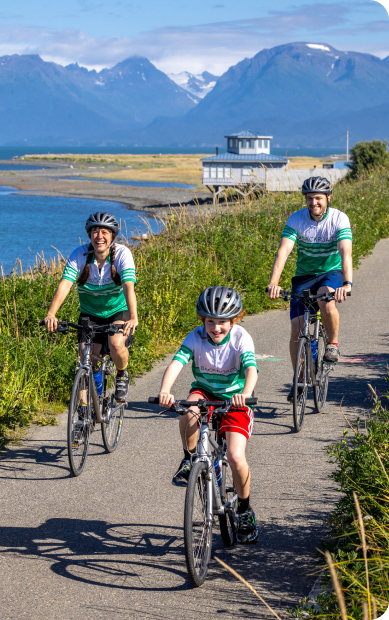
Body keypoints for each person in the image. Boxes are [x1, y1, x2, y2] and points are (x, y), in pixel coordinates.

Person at [158, 286, 259, 544]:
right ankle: (190, 459)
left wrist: (245, 394)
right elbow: (177, 364)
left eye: (222, 322)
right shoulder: (196, 336)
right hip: (205, 392)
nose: (216, 328)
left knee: (236, 457)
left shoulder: (240, 337)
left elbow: (251, 370)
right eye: (210, 321)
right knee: (189, 409)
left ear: (233, 320)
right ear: (202, 320)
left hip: (235, 397)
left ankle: (245, 510)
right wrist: (165, 390)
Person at [267, 176, 352, 400]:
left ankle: (332, 344)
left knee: (325, 298)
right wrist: (274, 282)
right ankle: (301, 378)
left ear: (328, 198)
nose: (313, 202)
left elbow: (346, 252)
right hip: (304, 277)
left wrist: (346, 283)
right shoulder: (297, 219)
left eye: (318, 198)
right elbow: (283, 252)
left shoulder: (338, 219)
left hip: (330, 273)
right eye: (309, 198)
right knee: (297, 330)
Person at [44, 212, 138, 401]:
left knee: (116, 345)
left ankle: (122, 374)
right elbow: (65, 284)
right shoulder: (80, 254)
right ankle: (85, 411)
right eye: (95, 231)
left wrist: (133, 317)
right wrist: (51, 313)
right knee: (86, 357)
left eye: (104, 232)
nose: (99, 236)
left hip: (117, 311)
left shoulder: (121, 254)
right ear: (89, 235)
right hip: (90, 313)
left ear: (112, 236)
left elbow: (128, 286)